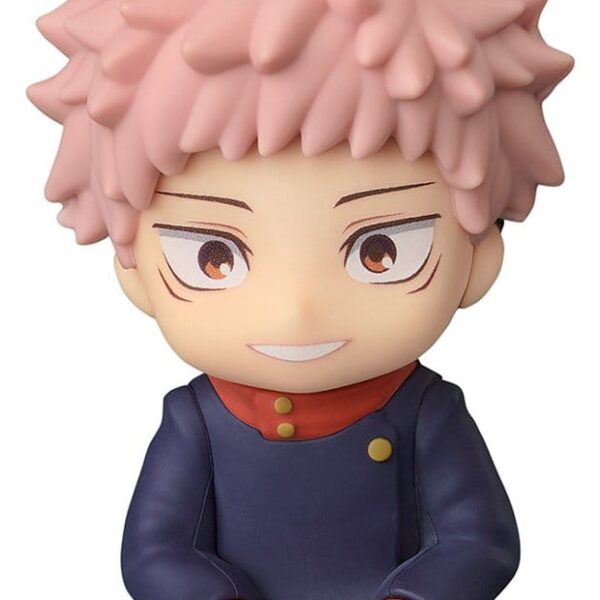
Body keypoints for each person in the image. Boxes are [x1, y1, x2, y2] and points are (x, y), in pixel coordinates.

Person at [28, 1, 573, 599]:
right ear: (134, 272)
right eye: (214, 258)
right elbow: (155, 549)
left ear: (479, 261)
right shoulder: (197, 420)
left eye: (381, 251)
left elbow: (479, 540)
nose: (296, 307)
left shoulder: (426, 412)